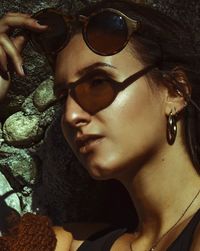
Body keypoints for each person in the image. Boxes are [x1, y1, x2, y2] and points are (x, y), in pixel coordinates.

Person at [0, 0, 199, 250]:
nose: (71, 115)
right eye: (63, 97)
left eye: (98, 83)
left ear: (174, 91)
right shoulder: (68, 242)